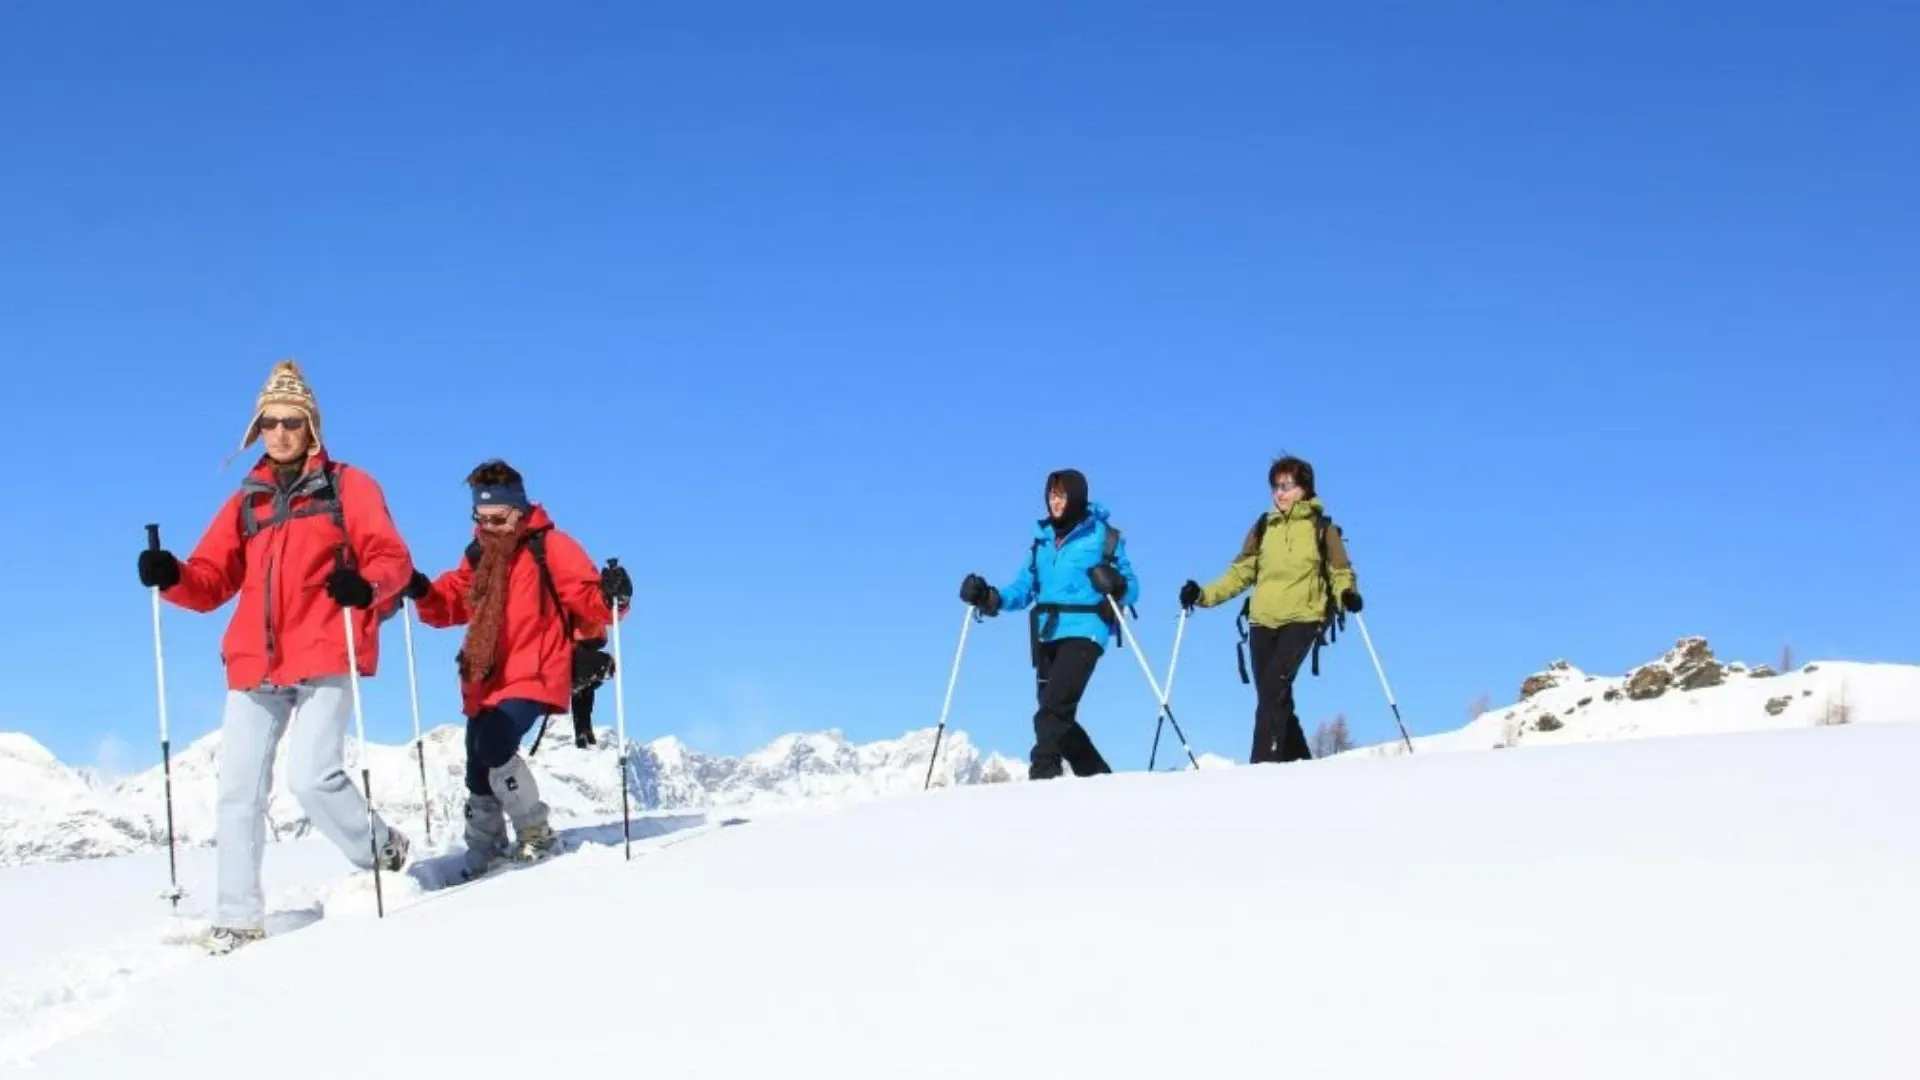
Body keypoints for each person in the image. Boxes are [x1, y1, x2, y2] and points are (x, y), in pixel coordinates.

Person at [136, 359, 416, 955]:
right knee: (237, 790)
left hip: (324, 648)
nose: (282, 432)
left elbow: (390, 555)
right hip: (254, 662)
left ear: (311, 427)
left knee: (312, 777)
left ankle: (383, 850)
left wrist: (366, 585)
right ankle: (237, 919)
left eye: (292, 421)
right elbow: (211, 579)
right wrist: (173, 575)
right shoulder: (249, 501)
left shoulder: (349, 486)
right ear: (257, 430)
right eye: (270, 422)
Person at [404, 459, 632, 878]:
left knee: (493, 744)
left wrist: (613, 593)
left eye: (499, 518)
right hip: (486, 678)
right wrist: (420, 588)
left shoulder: (553, 547)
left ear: (520, 509)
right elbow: (452, 601)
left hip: (537, 669)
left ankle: (535, 832)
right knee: (476, 765)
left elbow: (590, 601)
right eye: (481, 518)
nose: (490, 526)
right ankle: (486, 849)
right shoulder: (480, 556)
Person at [1178, 455, 1362, 764]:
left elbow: (1340, 571)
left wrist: (1347, 594)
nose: (1280, 493)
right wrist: (1202, 595)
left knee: (1272, 690)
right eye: (1275, 486)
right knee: (1274, 697)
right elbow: (1240, 573)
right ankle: (1301, 762)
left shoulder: (1321, 528)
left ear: (1304, 488)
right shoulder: (1263, 527)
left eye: (1287, 485)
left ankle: (1261, 767)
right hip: (1262, 621)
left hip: (1304, 617)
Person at [958, 468, 1138, 780]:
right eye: (1052, 495)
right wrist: (990, 597)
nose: (1055, 501)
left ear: (1077, 496)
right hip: (1046, 634)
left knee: (1052, 710)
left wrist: (1117, 584)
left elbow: (1133, 586)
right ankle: (1099, 778)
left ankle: (1043, 775)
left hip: (1085, 630)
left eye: (1062, 494)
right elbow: (1023, 588)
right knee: (1058, 719)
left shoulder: (1102, 536)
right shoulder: (1041, 541)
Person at [568, 620, 615, 748]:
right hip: (592, 637)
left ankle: (582, 729)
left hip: (579, 637)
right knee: (584, 684)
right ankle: (584, 727)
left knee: (579, 684)